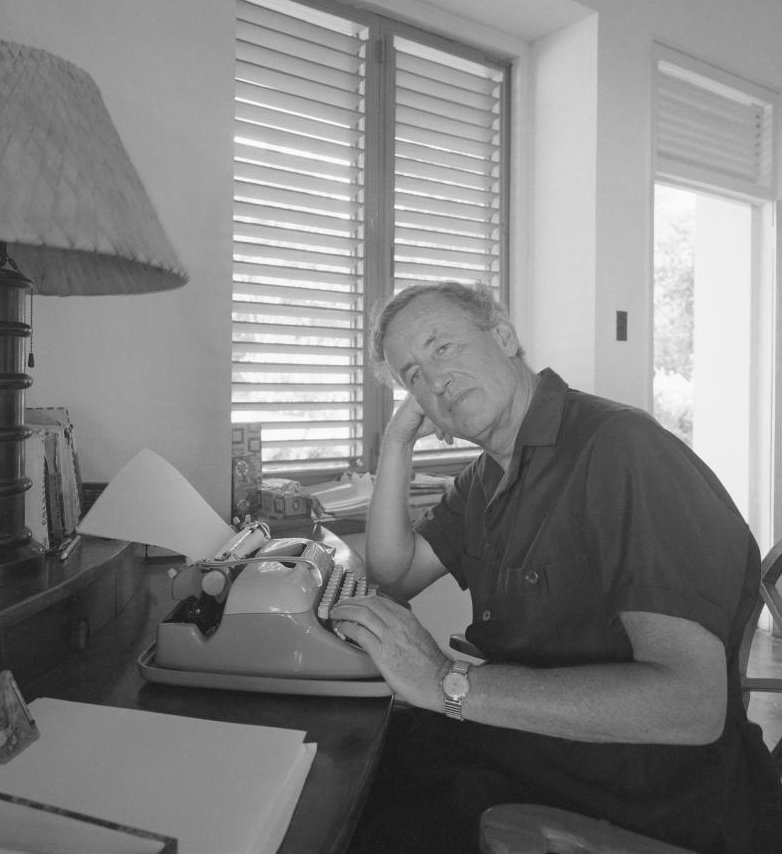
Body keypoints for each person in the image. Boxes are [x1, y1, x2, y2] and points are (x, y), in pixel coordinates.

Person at [330, 280, 782, 854]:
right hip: (548, 751)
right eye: (412, 376)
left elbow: (691, 705)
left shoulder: (621, 448)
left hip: (651, 796)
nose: (434, 381)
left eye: (441, 348)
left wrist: (444, 680)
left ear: (503, 334)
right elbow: (395, 574)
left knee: (362, 804)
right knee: (364, 757)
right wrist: (397, 443)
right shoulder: (486, 475)